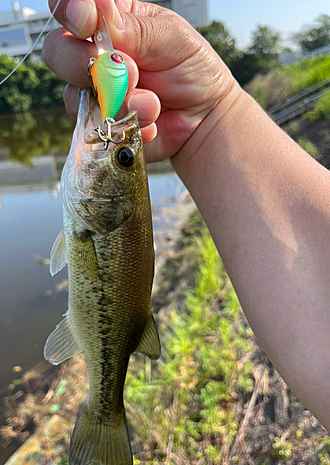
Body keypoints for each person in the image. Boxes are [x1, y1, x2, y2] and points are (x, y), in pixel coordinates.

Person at [43, 0, 330, 431]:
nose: (122, 144)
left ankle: (105, 409)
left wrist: (215, 112)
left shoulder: (89, 218)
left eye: (123, 156)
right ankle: (106, 407)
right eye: (127, 157)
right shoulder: (93, 214)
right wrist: (214, 111)